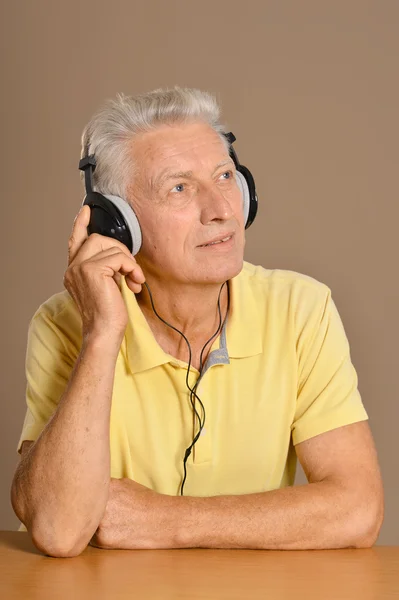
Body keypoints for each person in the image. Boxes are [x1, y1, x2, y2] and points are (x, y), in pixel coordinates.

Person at [11, 86, 384, 557]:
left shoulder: (301, 308)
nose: (222, 210)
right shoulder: (65, 325)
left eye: (225, 176)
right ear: (117, 223)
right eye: (180, 188)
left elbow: (357, 510)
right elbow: (59, 531)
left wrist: (165, 521)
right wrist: (101, 335)